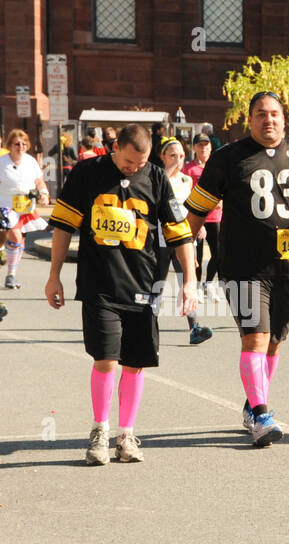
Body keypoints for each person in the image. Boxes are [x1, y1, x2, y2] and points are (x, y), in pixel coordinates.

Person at [183, 91, 289, 448]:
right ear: (249, 120)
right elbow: (195, 214)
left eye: (275, 114)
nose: (269, 120)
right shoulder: (227, 158)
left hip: (287, 266)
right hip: (242, 267)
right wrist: (180, 263)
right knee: (256, 336)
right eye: (261, 114)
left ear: (284, 119)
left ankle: (254, 404)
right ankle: (262, 415)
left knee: (275, 343)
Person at [44, 123, 197, 465]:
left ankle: (126, 435)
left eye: (140, 163)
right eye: (129, 162)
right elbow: (64, 227)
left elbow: (180, 234)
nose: (134, 168)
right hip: (100, 284)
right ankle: (100, 430)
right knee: (106, 359)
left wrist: (190, 280)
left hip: (143, 284)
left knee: (135, 363)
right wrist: (54, 275)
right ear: (115, 148)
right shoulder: (87, 173)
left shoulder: (156, 177)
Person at [158, 137, 212, 343]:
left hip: (184, 239)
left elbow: (190, 209)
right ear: (163, 157)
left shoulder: (186, 180)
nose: (178, 160)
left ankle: (194, 328)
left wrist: (200, 227)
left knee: (188, 281)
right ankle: (145, 326)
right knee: (157, 283)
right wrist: (168, 169)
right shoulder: (159, 178)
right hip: (162, 240)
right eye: (172, 156)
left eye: (181, 156)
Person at [1, 130, 51, 289]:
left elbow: (39, 181)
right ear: (10, 145)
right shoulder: (2, 162)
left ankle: (12, 274)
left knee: (20, 239)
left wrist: (44, 194)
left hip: (26, 206)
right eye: (17, 144)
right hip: (6, 205)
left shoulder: (31, 162)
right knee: (15, 236)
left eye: (24, 144)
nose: (21, 147)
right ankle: (10, 273)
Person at [183, 134, 223, 300]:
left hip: (216, 217)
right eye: (200, 145)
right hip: (198, 217)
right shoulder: (189, 169)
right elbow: (187, 193)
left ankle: (209, 283)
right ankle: (197, 285)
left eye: (206, 145)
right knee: (197, 254)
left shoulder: (217, 166)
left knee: (218, 253)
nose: (204, 148)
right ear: (194, 148)